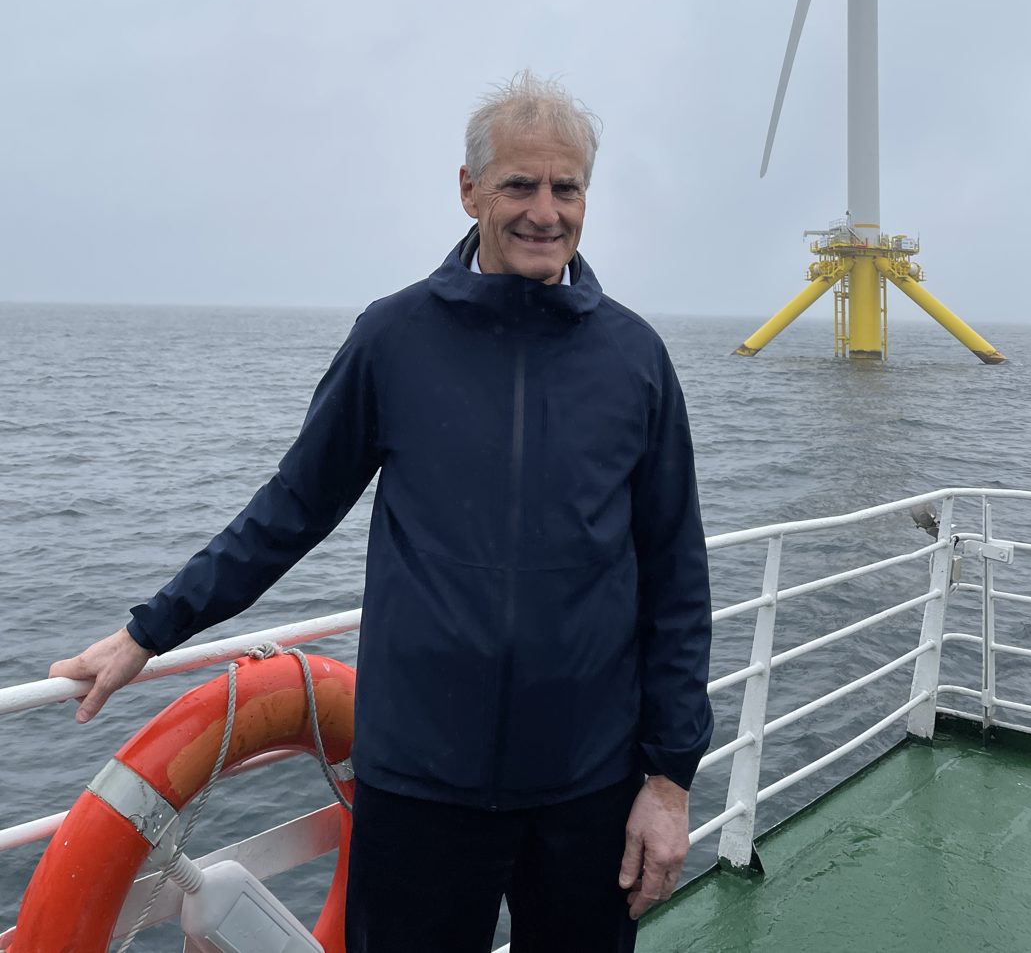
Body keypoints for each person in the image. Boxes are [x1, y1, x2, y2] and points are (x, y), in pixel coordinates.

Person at [51, 71, 714, 952]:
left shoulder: (634, 357)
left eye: (567, 187)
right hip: (421, 784)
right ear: (470, 189)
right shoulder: (395, 337)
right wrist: (149, 629)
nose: (545, 211)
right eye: (520, 184)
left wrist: (668, 779)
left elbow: (677, 579)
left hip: (587, 784)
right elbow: (293, 506)